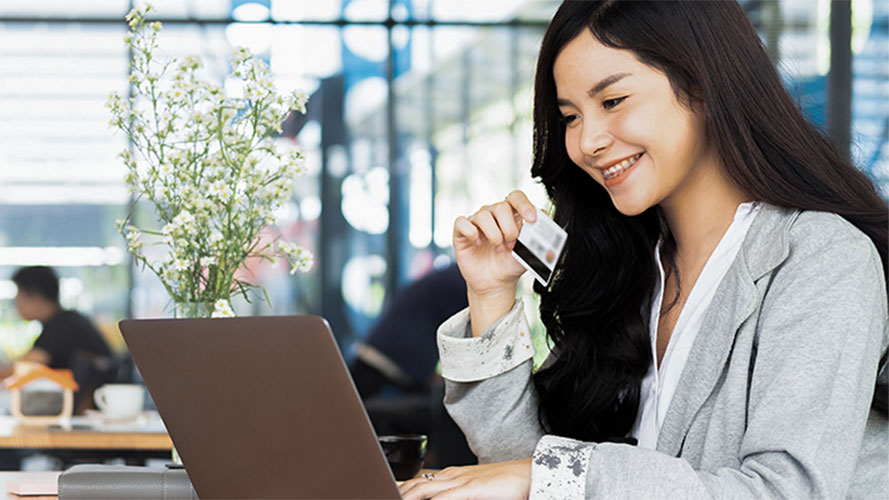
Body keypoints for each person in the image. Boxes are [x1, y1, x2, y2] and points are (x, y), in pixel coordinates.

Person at [400, 1, 888, 499]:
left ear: (703, 84)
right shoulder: (628, 268)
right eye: (570, 116)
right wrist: (491, 295)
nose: (587, 141)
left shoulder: (820, 258)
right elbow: (527, 472)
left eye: (612, 101)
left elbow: (786, 492)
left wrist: (546, 475)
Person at [3, 266, 113, 387]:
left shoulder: (62, 325)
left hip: (87, 402)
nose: (16, 304)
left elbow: (26, 367)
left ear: (37, 298)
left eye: (18, 297)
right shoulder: (66, 320)